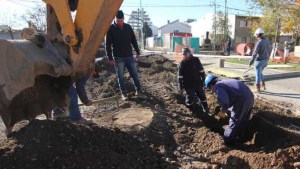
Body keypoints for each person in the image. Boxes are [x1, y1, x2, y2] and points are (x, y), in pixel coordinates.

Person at [205, 74, 254, 145]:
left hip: (241, 101)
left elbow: (225, 102)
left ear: (210, 85)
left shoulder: (217, 87)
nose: (211, 90)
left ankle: (227, 140)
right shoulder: (224, 82)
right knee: (243, 119)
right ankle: (240, 136)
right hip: (250, 98)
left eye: (210, 88)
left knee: (234, 120)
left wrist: (222, 112)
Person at [106, 10, 141, 101]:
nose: (120, 23)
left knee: (134, 74)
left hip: (129, 56)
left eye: (121, 21)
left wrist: (137, 52)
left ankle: (139, 91)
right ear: (115, 19)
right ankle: (124, 93)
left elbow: (133, 41)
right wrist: (110, 57)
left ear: (123, 19)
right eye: (118, 21)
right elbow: (108, 44)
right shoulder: (111, 29)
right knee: (120, 76)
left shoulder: (128, 27)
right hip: (118, 57)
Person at [178, 48, 209, 113]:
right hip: (188, 85)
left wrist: (203, 81)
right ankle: (192, 112)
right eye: (184, 54)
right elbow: (180, 77)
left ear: (189, 53)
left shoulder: (196, 60)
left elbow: (201, 71)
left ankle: (206, 109)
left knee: (202, 96)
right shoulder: (182, 63)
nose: (185, 55)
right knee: (190, 98)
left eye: (186, 54)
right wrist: (181, 87)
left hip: (198, 83)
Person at [249, 28, 271, 92]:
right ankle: (263, 84)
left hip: (259, 61)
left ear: (258, 35)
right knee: (260, 72)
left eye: (256, 35)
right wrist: (267, 58)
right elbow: (269, 50)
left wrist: (251, 61)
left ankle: (258, 88)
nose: (255, 37)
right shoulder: (267, 41)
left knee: (257, 74)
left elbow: (255, 53)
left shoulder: (259, 42)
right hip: (265, 61)